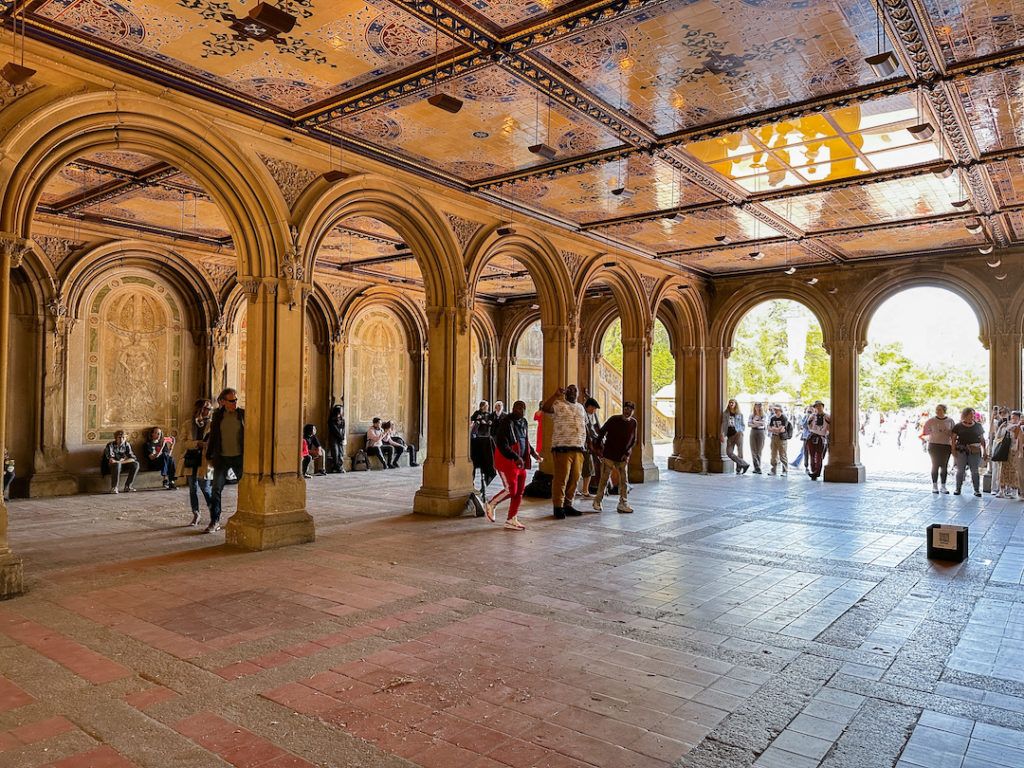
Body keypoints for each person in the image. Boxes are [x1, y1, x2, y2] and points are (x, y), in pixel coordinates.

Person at [486, 400, 541, 530]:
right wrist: (515, 457)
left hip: (520, 461)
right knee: (511, 489)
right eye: (518, 408)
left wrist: (533, 454)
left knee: (519, 491)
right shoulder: (506, 422)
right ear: (513, 409)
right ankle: (491, 503)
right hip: (507, 460)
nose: (520, 411)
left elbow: (525, 441)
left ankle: (511, 519)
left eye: (523, 409)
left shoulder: (524, 422)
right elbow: (502, 444)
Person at [541, 384, 587, 519]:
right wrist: (555, 395)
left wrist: (586, 443)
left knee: (575, 478)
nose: (572, 392)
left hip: (578, 448)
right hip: (562, 447)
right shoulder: (558, 404)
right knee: (561, 479)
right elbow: (545, 408)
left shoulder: (580, 407)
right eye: (570, 390)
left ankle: (568, 504)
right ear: (566, 392)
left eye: (575, 390)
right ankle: (558, 506)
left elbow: (584, 425)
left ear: (578, 394)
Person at [206, 387, 244, 533]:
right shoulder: (217, 416)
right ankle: (214, 521)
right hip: (222, 458)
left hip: (239, 458)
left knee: (244, 488)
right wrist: (209, 455)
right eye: (231, 400)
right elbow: (214, 437)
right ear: (222, 402)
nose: (235, 403)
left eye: (236, 400)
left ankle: (243, 516)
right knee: (216, 489)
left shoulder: (242, 415)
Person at [592, 401, 637, 513]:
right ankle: (597, 501)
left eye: (630, 410)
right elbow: (601, 432)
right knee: (604, 479)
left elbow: (633, 440)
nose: (627, 411)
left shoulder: (633, 423)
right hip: (609, 455)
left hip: (623, 457)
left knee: (624, 481)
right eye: (626, 409)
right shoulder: (614, 420)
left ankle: (623, 503)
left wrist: (627, 454)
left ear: (633, 411)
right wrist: (598, 448)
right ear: (623, 409)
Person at [185, 399, 213, 526]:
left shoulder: (212, 425)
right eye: (206, 408)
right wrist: (197, 443)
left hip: (205, 459)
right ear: (200, 409)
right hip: (191, 458)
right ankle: (196, 513)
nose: (209, 411)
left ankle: (214, 512)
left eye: (210, 409)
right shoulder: (188, 424)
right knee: (192, 488)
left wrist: (207, 445)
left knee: (205, 487)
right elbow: (183, 443)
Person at [951, 406, 987, 497]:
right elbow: (953, 439)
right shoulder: (958, 426)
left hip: (974, 450)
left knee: (974, 470)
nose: (973, 416)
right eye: (971, 414)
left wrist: (985, 451)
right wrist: (953, 450)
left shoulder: (978, 426)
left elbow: (982, 439)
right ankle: (958, 488)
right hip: (961, 450)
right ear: (965, 415)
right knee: (960, 470)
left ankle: (977, 490)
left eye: (973, 414)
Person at [921, 404, 955, 494]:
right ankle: (934, 486)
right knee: (935, 465)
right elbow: (924, 432)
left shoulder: (950, 420)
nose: (938, 411)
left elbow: (954, 434)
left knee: (944, 466)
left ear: (944, 410)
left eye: (940, 409)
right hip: (934, 445)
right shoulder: (931, 420)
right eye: (936, 409)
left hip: (946, 445)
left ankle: (943, 486)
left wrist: (949, 433)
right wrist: (931, 434)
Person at [578, 397, 601, 498]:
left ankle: (580, 490)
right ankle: (585, 491)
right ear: (590, 407)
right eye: (594, 408)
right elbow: (590, 431)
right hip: (585, 445)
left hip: (582, 445)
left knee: (582, 469)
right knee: (588, 468)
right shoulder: (584, 415)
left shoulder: (586, 414)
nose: (594, 411)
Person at [720, 398, 749, 474]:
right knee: (729, 453)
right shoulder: (725, 413)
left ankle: (738, 469)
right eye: (730, 402)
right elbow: (723, 424)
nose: (731, 404)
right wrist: (722, 434)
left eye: (733, 403)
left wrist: (740, 431)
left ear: (735, 404)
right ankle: (744, 464)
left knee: (740, 451)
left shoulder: (739, 414)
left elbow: (743, 425)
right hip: (729, 435)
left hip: (738, 434)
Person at [997, 411, 1021, 499]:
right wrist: (1001, 427)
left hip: (1015, 452)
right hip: (1006, 451)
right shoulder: (1007, 426)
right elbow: (998, 435)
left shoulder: (1020, 427)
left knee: (1014, 470)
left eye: (1015, 418)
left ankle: (1014, 490)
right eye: (1012, 417)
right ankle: (1002, 490)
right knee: (1003, 470)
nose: (1013, 419)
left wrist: (1017, 425)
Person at [806, 400, 830, 480]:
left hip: (821, 437)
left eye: (820, 406)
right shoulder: (812, 416)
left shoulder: (827, 416)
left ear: (823, 406)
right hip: (812, 436)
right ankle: (813, 471)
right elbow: (809, 426)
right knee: (812, 455)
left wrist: (825, 433)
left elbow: (830, 428)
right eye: (816, 406)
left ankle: (816, 472)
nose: (818, 408)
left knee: (819, 456)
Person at [767, 404, 790, 475]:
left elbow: (782, 429)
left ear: (780, 410)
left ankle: (785, 470)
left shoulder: (784, 417)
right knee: (773, 454)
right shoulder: (772, 418)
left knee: (782, 454)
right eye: (774, 409)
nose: (775, 411)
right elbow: (769, 428)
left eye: (777, 409)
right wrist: (775, 429)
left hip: (782, 438)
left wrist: (774, 429)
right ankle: (773, 470)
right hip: (774, 437)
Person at [791, 406, 814, 472]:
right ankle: (805, 465)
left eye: (810, 411)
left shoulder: (815, 417)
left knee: (810, 452)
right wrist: (808, 417)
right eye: (808, 411)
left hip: (812, 436)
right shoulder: (805, 416)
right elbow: (803, 425)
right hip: (805, 437)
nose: (809, 412)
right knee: (805, 451)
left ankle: (798, 463)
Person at [748, 402, 767, 474]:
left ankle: (758, 466)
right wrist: (756, 423)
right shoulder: (751, 415)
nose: (757, 408)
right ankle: (757, 467)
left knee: (759, 450)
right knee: (753, 450)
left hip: (761, 432)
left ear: (761, 407)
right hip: (753, 432)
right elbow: (749, 424)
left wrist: (754, 422)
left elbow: (763, 423)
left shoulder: (764, 415)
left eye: (759, 406)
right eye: (756, 406)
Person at [328, 403, 346, 473]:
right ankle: (336, 467)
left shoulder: (342, 419)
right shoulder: (331, 420)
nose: (342, 411)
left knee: (341, 453)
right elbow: (334, 429)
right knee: (335, 453)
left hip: (340, 437)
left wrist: (342, 437)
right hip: (334, 437)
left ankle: (339, 467)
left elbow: (343, 429)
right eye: (341, 410)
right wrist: (340, 437)